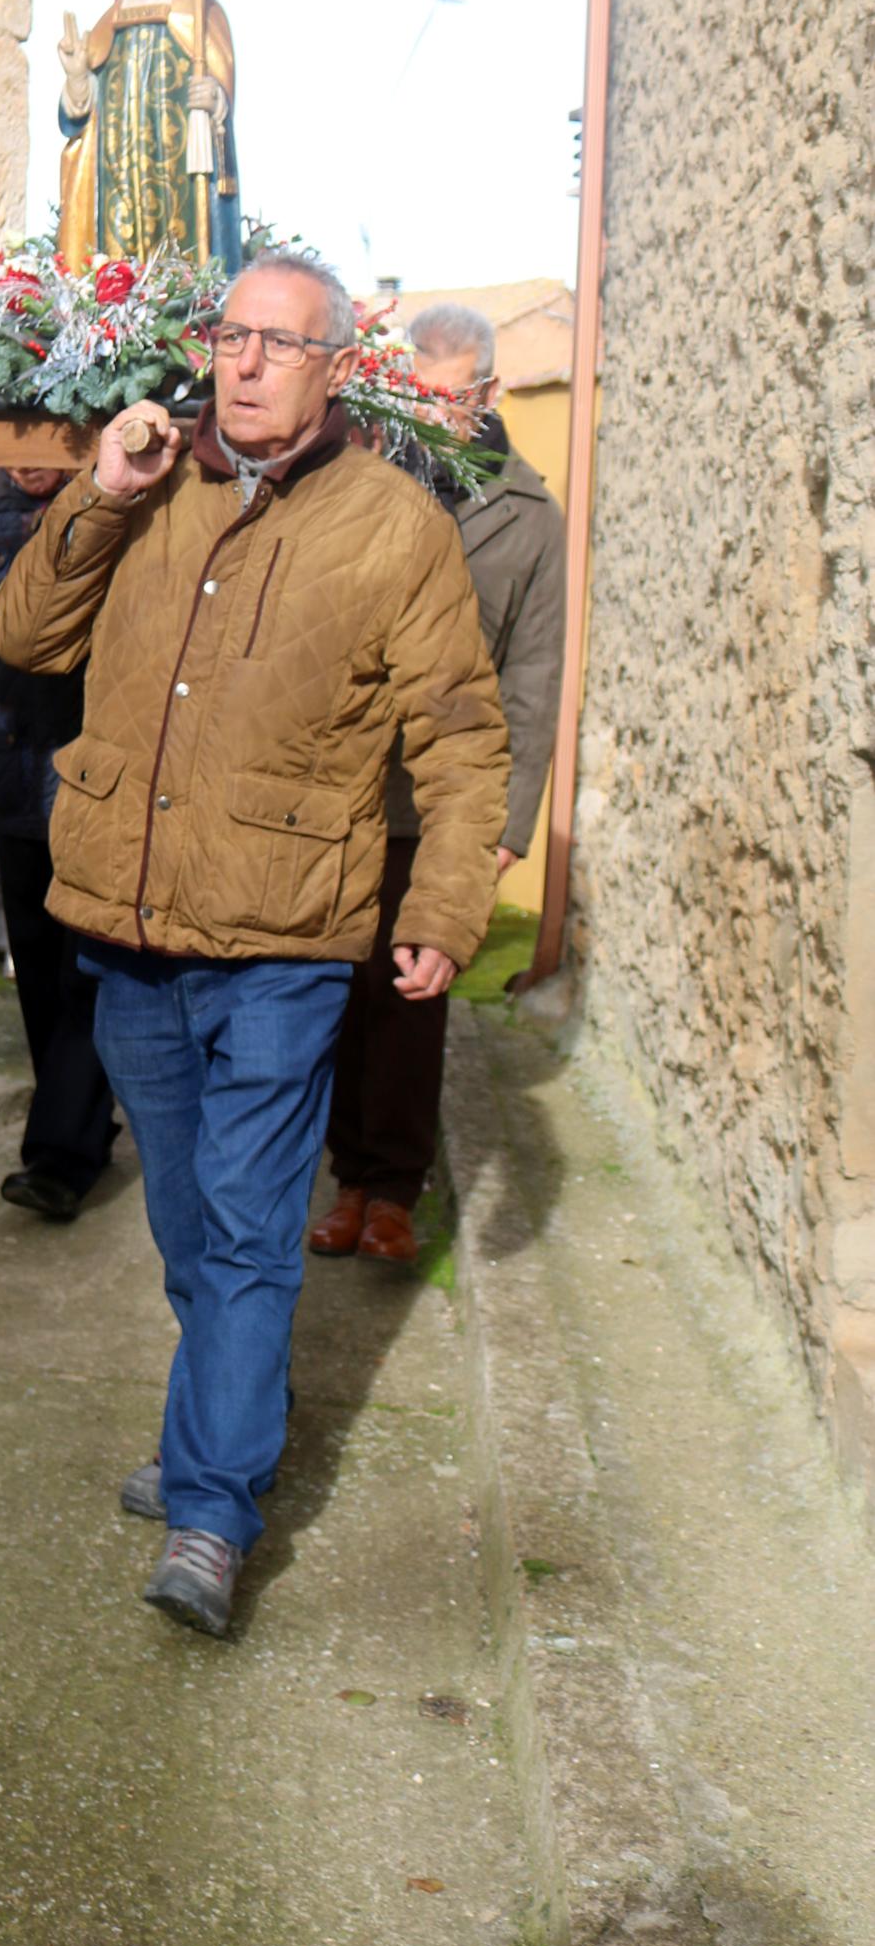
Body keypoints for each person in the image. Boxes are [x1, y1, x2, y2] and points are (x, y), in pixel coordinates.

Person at [0, 252, 509, 1637]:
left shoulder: (396, 525)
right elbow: (23, 637)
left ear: (336, 365)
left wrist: (444, 909)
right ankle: (207, 1427)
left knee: (251, 1229)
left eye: (280, 343)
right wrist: (101, 494)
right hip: (130, 926)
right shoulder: (149, 481)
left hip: (285, 940)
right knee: (185, 1224)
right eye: (230, 337)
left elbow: (461, 738)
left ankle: (214, 1510)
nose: (246, 364)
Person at [313, 301, 567, 1264]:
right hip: (344, 781)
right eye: (413, 397)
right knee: (337, 988)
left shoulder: (530, 516)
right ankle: (344, 1177)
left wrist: (509, 819)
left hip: (443, 799)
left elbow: (532, 678)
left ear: (489, 393)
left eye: (449, 401)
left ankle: (393, 1190)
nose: (430, 418)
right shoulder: (363, 477)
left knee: (412, 998)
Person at [0, 466, 118, 1222]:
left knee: (87, 971)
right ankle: (75, 1124)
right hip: (9, 763)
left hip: (95, 772)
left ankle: (58, 1154)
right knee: (37, 972)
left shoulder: (119, 489)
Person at [54, 0, 240, 269]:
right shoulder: (110, 21)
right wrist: (79, 81)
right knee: (116, 257)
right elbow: (81, 119)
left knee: (181, 254)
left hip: (181, 172)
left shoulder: (199, 10)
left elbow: (223, 89)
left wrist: (215, 101)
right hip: (117, 177)